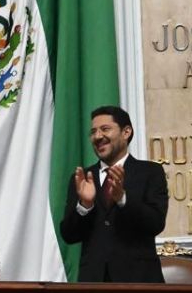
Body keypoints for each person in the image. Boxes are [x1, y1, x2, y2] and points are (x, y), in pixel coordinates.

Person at [59, 105, 168, 282]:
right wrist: (85, 205)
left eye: (105, 129)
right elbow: (69, 235)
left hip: (140, 283)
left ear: (126, 132)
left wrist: (123, 199)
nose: (98, 136)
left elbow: (155, 223)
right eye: (93, 132)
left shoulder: (150, 172)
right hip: (94, 285)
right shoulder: (82, 178)